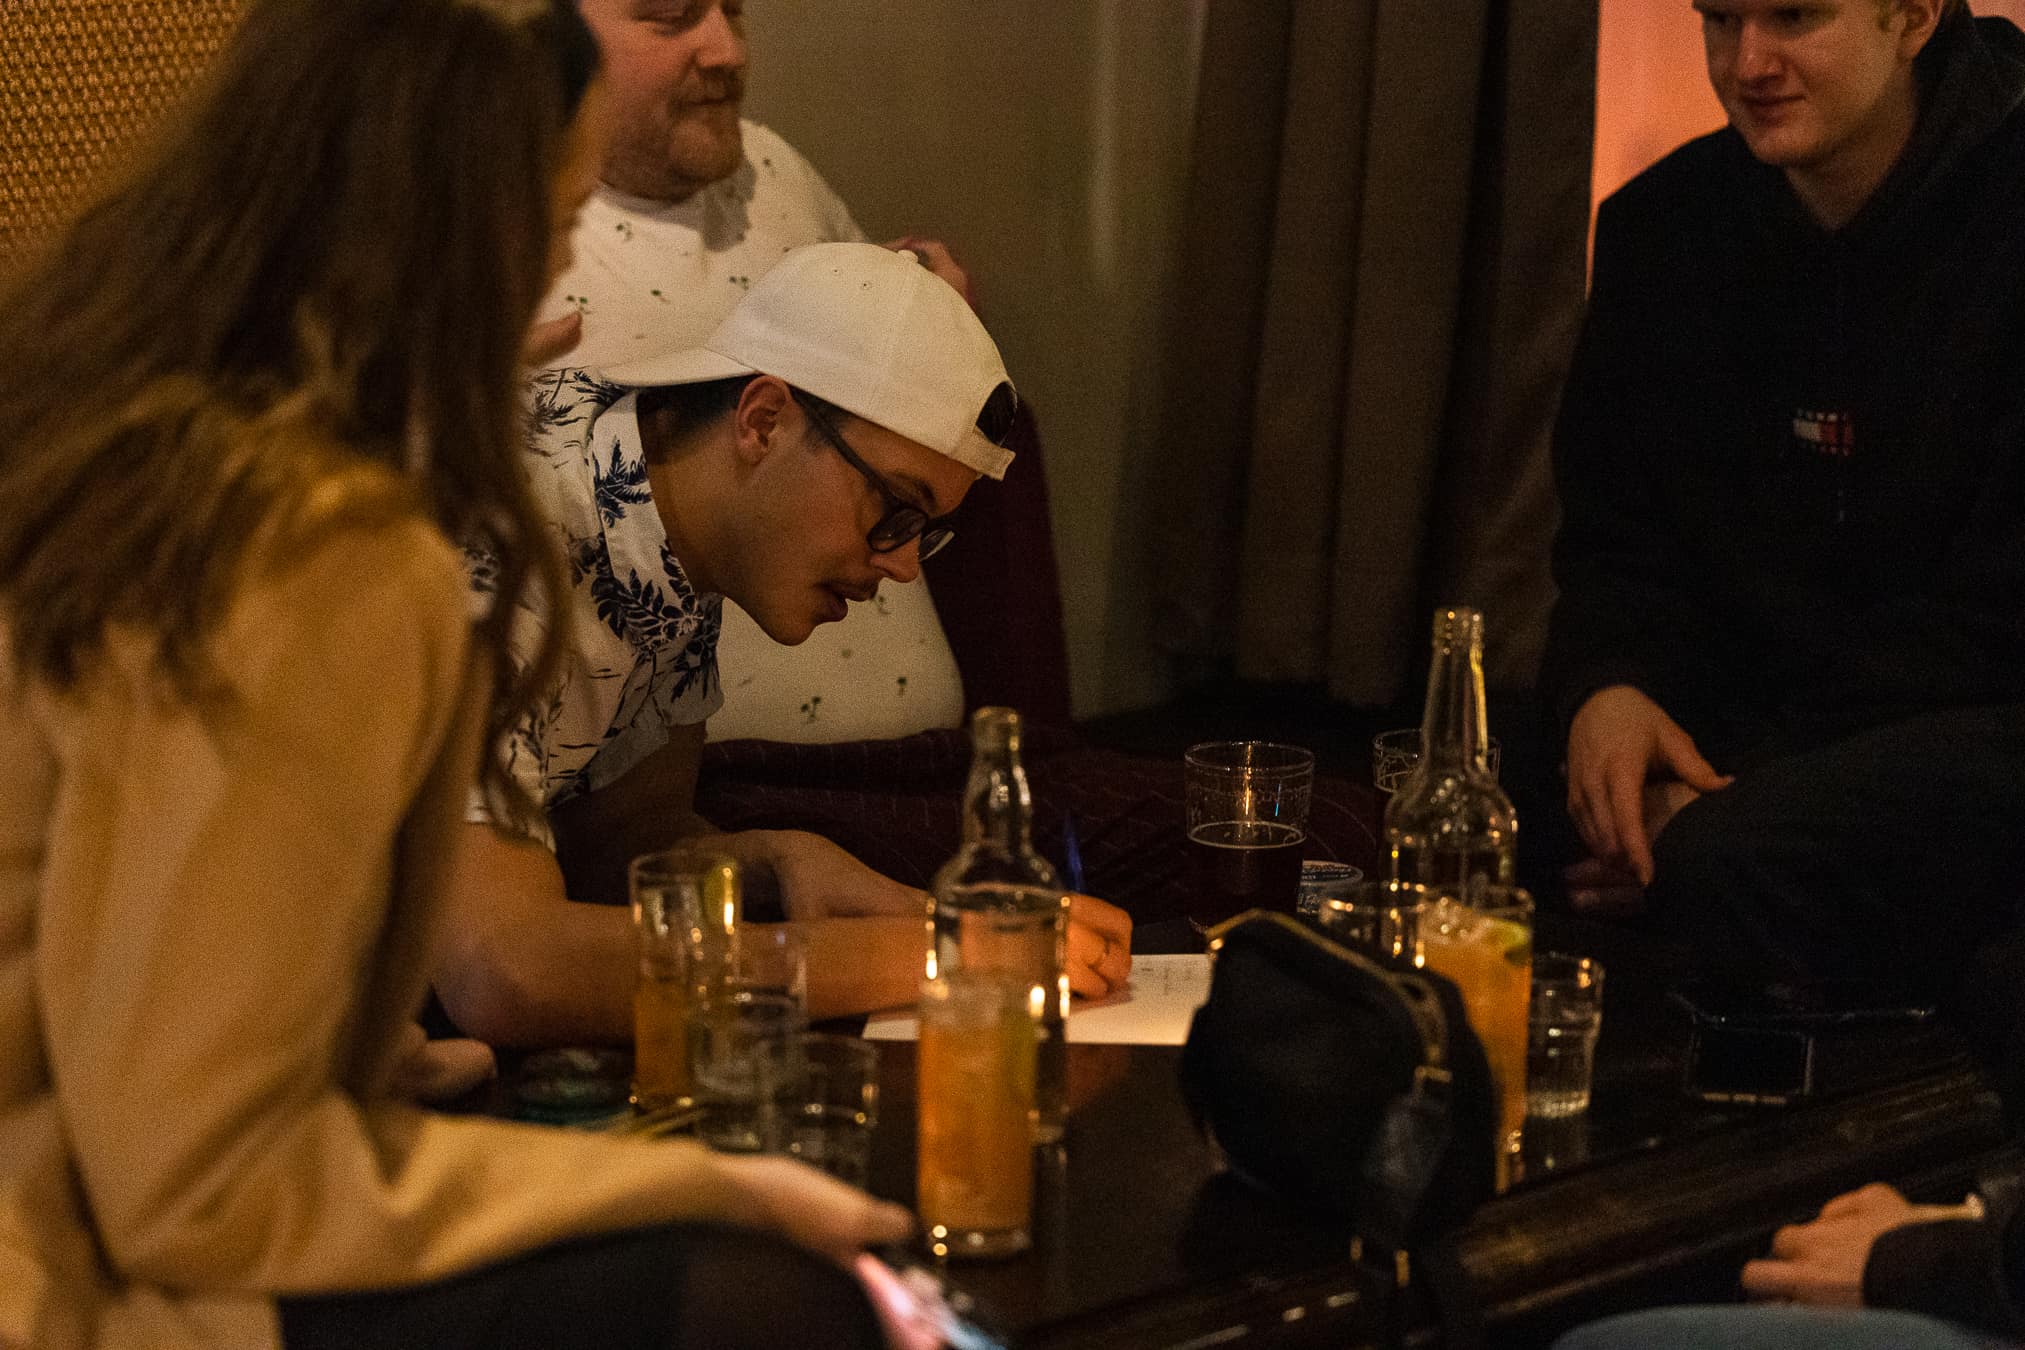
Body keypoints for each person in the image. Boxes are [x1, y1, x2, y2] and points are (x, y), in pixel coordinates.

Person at [0, 3, 917, 1347]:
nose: (556, 282)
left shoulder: (118, 424)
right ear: (456, 238)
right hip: (62, 1264)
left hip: (102, 1175)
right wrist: (691, 1190)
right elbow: (195, 1186)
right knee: (788, 1293)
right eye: (554, 227)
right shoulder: (313, 543)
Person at [434, 241, 1132, 1046]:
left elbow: (613, 842)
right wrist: (948, 955)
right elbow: (504, 971)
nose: (904, 566)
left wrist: (777, 860)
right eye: (895, 510)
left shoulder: (668, 521)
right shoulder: (512, 534)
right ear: (762, 420)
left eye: (926, 533)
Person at [1541, 0, 2025, 1049]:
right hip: (1749, 712)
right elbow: (1619, 538)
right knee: (1473, 804)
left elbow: (1992, 621)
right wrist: (1612, 689)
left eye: (1794, 16)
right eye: (1721, 19)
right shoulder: (1664, 227)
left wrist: (1737, 785)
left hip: (1967, 709)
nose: (1747, 62)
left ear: (1913, 14)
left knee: (1735, 856)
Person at [527, 0, 971, 374]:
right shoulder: (505, 228)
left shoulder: (767, 160)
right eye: (673, 16)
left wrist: (918, 318)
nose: (730, 53)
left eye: (733, 10)